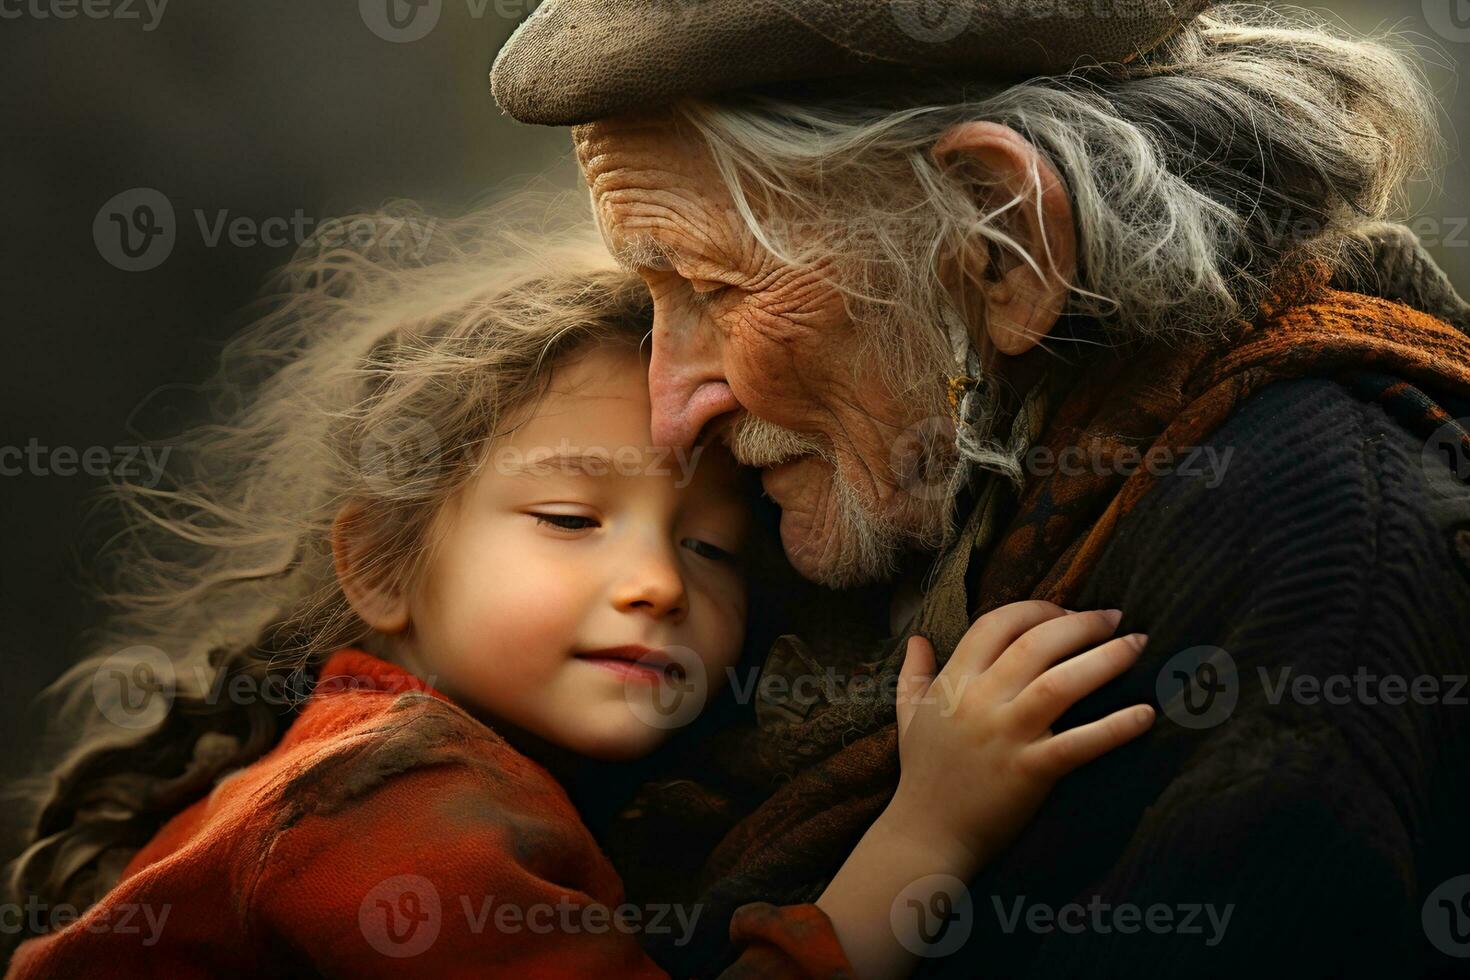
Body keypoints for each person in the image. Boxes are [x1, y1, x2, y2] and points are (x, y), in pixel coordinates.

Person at [490, 1, 1470, 974]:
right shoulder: (922, 490)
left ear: (1000, 241)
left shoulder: (1313, 552)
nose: (670, 409)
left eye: (714, 289)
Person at [2, 208, 1154, 979]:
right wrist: (928, 828)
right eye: (568, 520)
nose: (654, 582)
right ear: (383, 566)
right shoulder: (396, 802)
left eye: (711, 552)